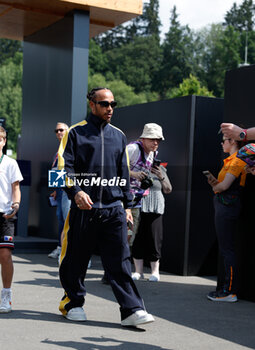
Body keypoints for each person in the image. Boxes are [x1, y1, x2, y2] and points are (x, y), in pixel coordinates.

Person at [57, 87, 154, 326]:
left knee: (121, 261)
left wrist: (127, 206)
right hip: (84, 210)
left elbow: (123, 173)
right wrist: (76, 191)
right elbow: (60, 171)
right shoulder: (75, 133)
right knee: (76, 260)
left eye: (113, 104)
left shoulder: (119, 136)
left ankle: (132, 310)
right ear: (92, 105)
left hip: (114, 210)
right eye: (104, 104)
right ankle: (73, 303)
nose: (110, 109)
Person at [206, 135, 247, 302]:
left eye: (224, 140)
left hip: (228, 205)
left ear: (233, 142)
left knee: (227, 249)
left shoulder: (237, 160)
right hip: (225, 205)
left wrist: (215, 186)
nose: (222, 143)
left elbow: (223, 186)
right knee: (225, 248)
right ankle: (227, 289)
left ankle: (229, 291)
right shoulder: (232, 160)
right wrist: (215, 185)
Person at [132, 159, 172, 282]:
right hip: (137, 205)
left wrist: (161, 176)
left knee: (154, 239)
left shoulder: (161, 170)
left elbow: (168, 189)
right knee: (137, 238)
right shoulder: (135, 169)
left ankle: (155, 272)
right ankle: (138, 271)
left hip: (155, 207)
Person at [127, 123, 165, 247]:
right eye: (152, 139)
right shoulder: (133, 149)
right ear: (143, 138)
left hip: (136, 200)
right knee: (119, 235)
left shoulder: (153, 154)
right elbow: (115, 168)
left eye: (158, 139)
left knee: (130, 237)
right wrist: (134, 174)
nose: (155, 142)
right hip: (121, 199)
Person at [0, 126, 23, 313]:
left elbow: (16, 188)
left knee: (5, 255)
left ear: (4, 141)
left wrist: (15, 205)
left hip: (5, 215)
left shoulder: (10, 163)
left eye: (0, 139)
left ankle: (6, 294)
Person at [48, 122, 71, 259]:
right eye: (56, 131)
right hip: (60, 190)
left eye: (61, 130)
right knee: (61, 219)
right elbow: (57, 171)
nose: (59, 133)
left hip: (70, 189)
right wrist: (56, 189)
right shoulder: (58, 151)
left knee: (69, 219)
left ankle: (69, 250)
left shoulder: (72, 147)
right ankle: (60, 247)